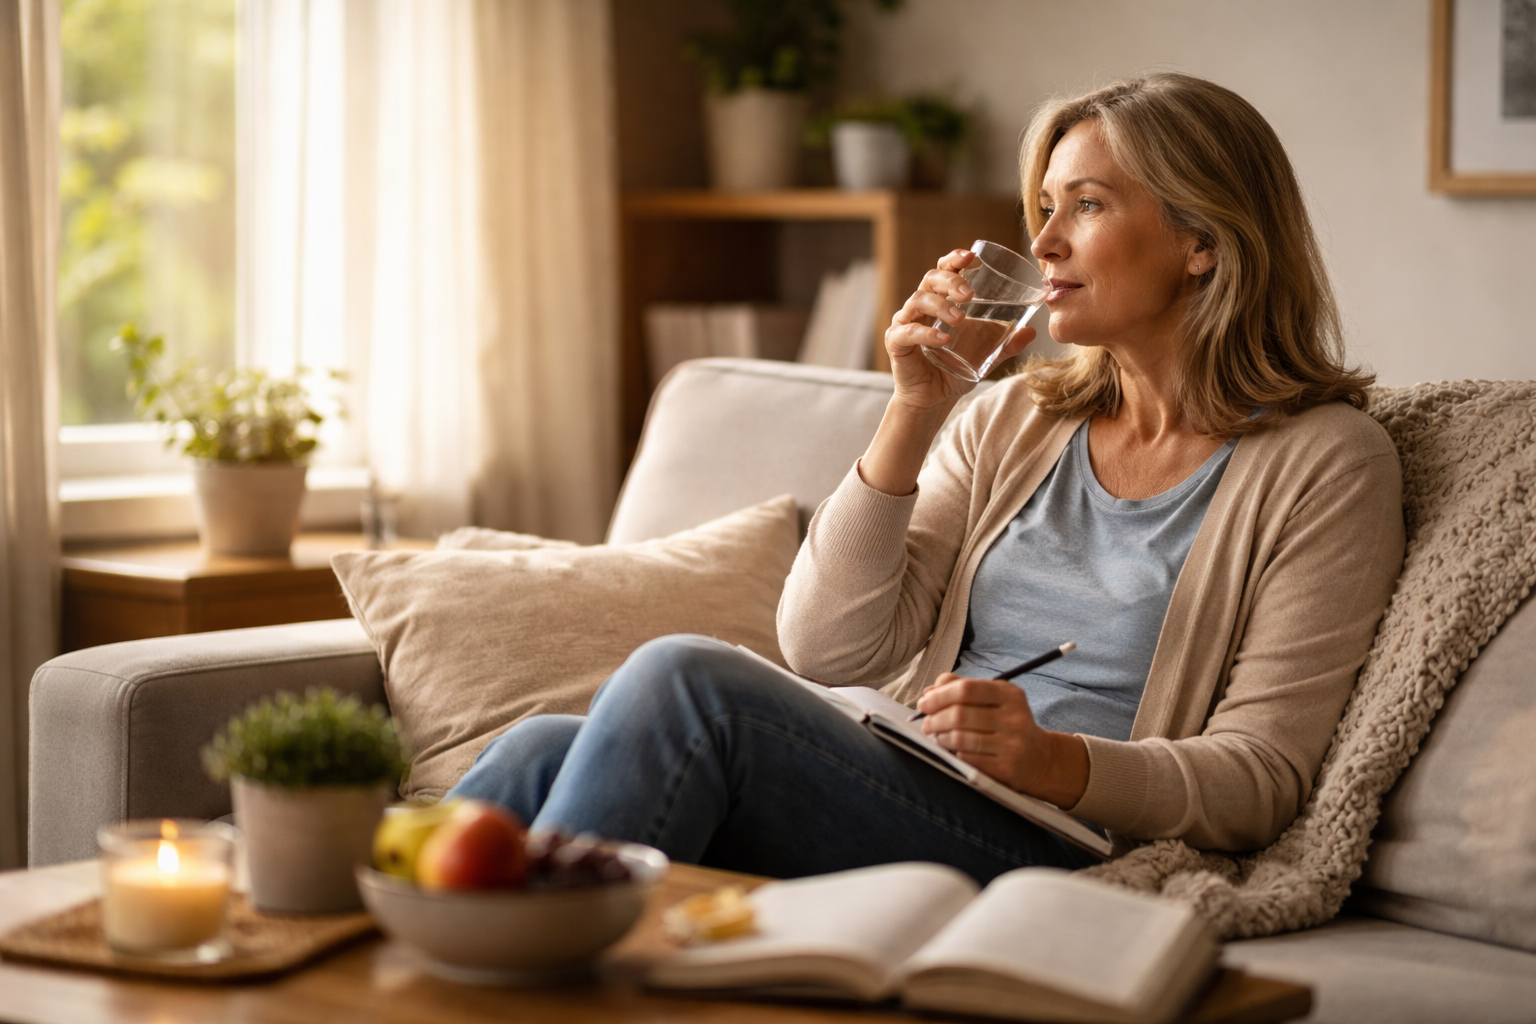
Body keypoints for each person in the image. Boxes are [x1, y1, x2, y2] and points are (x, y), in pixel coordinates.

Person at [451, 73, 1405, 882]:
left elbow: (1262, 778)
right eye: (1045, 206)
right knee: (537, 747)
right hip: (914, 776)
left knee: (684, 678)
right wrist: (916, 406)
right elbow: (827, 647)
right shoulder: (1009, 417)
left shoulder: (1324, 464)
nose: (1045, 244)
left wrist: (1056, 760)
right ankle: (355, 970)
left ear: (1203, 242)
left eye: (1089, 204)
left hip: (1065, 840)